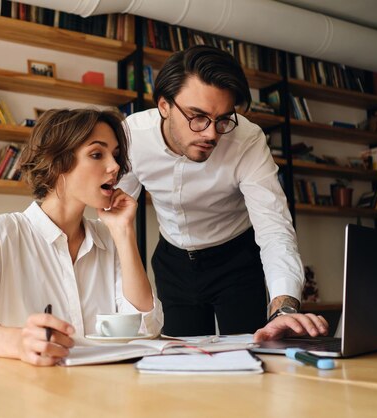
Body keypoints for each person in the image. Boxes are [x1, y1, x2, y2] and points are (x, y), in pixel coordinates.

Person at [118, 45, 328, 341]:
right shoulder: (132, 135)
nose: (211, 134)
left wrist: (284, 310)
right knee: (182, 364)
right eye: (197, 116)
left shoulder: (247, 139)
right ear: (164, 105)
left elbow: (274, 227)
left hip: (236, 259)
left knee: (253, 353)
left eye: (223, 119)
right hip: (173, 260)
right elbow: (113, 214)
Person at [0, 109, 163, 366]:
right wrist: (20, 342)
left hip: (101, 392)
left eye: (116, 155)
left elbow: (146, 327)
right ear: (59, 162)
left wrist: (124, 232)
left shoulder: (109, 238)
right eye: (97, 154)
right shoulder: (3, 232)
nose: (115, 166)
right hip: (27, 395)